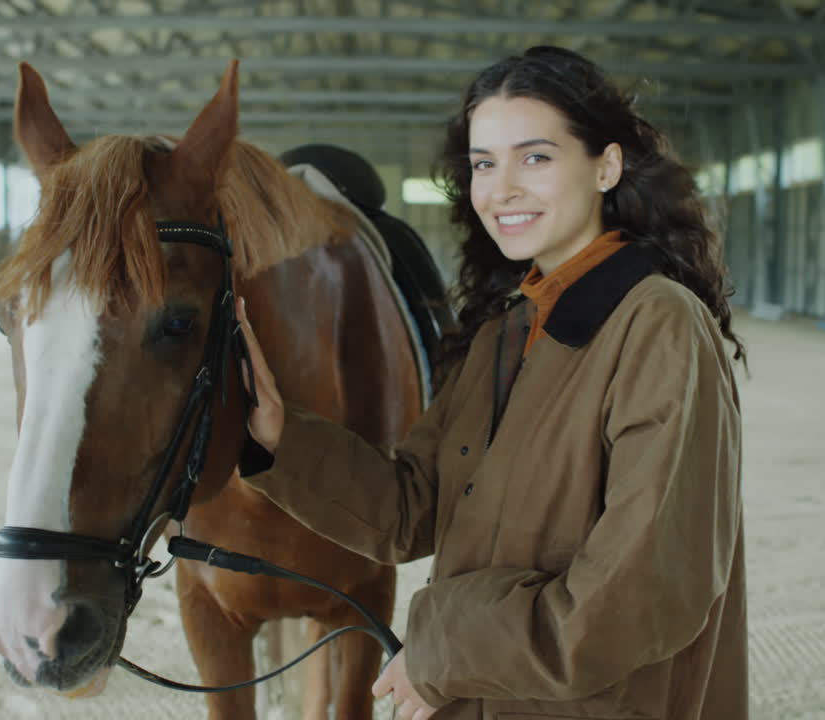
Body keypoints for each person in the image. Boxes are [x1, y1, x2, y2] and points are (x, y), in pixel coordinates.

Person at [235, 45, 747, 720]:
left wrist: (443, 650)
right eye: (484, 163)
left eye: (535, 157)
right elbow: (411, 508)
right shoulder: (505, 333)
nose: (501, 188)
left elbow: (643, 591)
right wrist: (281, 438)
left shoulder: (658, 325)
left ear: (607, 166)